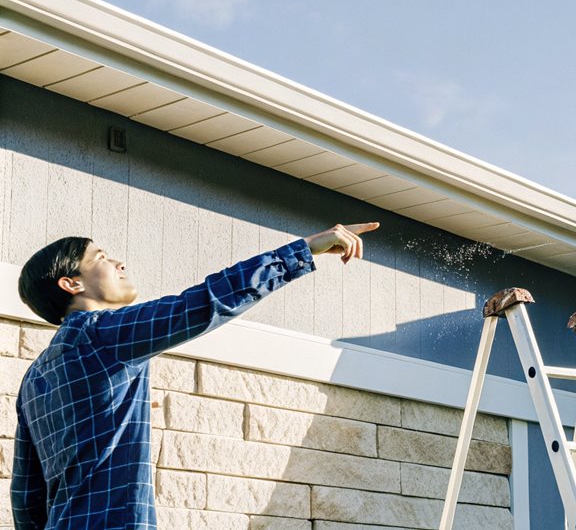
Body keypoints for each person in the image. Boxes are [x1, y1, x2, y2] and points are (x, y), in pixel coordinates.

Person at [10, 222, 380, 529]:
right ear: (71, 284)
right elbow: (203, 303)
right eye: (103, 259)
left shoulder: (34, 379)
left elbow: (27, 498)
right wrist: (304, 250)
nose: (120, 264)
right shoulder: (101, 332)